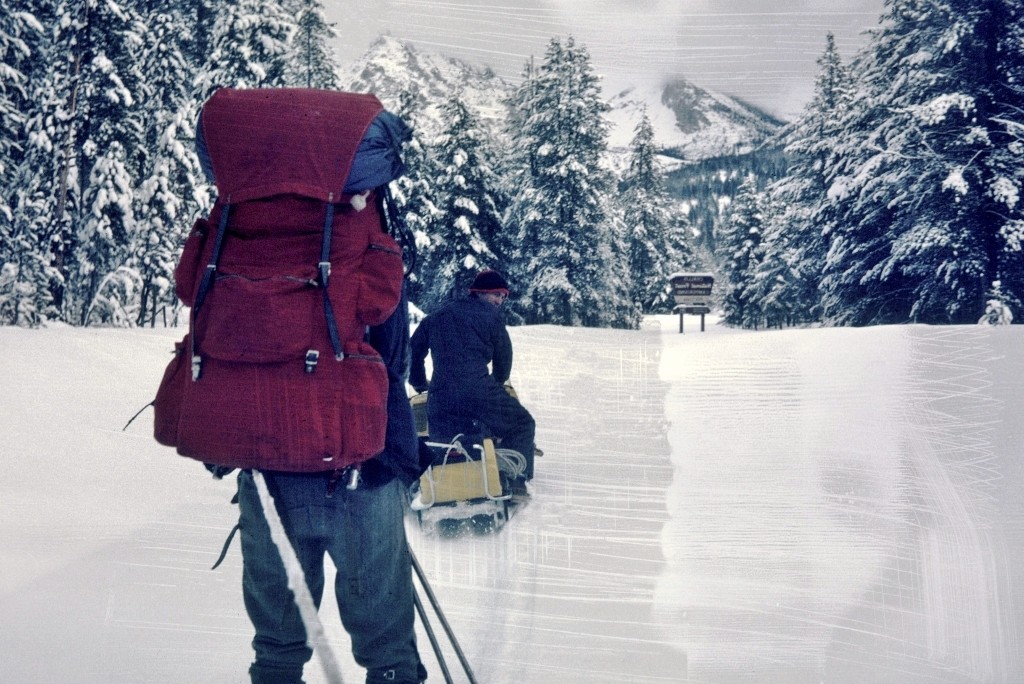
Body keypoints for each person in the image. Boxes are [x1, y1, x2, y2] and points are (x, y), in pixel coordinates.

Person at [235, 288, 427, 684]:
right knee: (389, 650)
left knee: (276, 649)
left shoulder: (249, 242)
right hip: (363, 466)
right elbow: (394, 361)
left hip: (269, 469)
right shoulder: (368, 243)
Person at [409, 269, 537, 494]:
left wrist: (420, 384)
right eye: (497, 294)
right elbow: (503, 361)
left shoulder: (437, 316)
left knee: (443, 442)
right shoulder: (492, 317)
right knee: (522, 423)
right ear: (480, 292)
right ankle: (514, 479)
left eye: (503, 297)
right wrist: (495, 387)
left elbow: (412, 351)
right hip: (479, 392)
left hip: (440, 397)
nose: (500, 300)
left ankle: (430, 486)